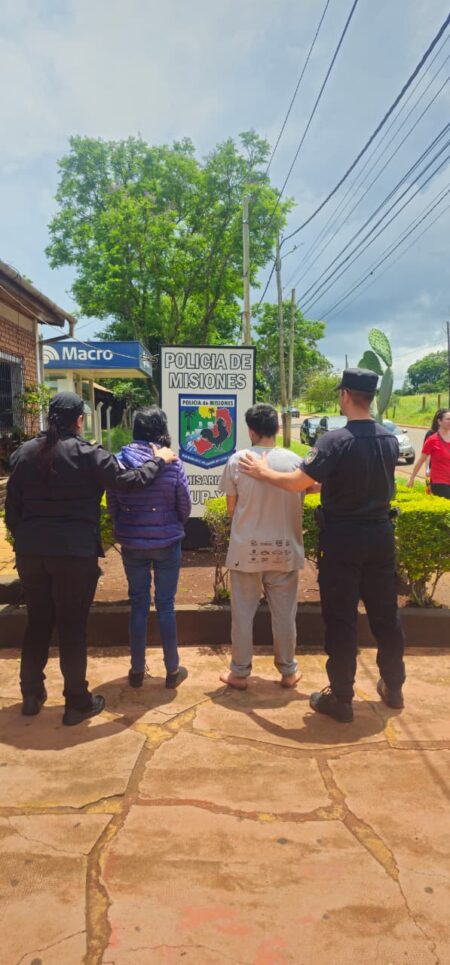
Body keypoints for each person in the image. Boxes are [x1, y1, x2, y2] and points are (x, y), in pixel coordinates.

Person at [240, 369, 406, 723]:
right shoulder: (389, 440)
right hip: (380, 536)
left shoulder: (335, 440)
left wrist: (261, 472)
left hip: (344, 540)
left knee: (342, 618)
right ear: (371, 397)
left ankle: (341, 698)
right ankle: (394, 687)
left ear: (345, 395)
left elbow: (297, 482)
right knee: (386, 616)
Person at [5, 392, 177, 725]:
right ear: (79, 421)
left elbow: (11, 511)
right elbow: (129, 482)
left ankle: (30, 694)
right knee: (72, 627)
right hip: (74, 554)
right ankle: (76, 703)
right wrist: (161, 460)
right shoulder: (88, 455)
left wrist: (25, 540)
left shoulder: (23, 454)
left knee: (38, 622)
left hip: (31, 553)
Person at [218, 403, 308, 690]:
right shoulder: (296, 461)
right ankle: (288, 671)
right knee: (285, 614)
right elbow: (303, 497)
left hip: (247, 550)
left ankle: (240, 673)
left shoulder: (237, 460)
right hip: (285, 549)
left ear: (251, 430)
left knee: (242, 613)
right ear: (278, 429)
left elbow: (232, 510)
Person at [107, 407, 191, 689]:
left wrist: (127, 528)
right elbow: (184, 506)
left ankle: (136, 671)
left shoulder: (118, 462)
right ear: (161, 431)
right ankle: (172, 670)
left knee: (138, 606)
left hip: (132, 545)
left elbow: (113, 506)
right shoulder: (172, 462)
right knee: (166, 605)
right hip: (168, 543)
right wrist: (173, 526)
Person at [408, 408, 450, 498]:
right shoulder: (432, 440)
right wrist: (412, 478)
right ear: (439, 421)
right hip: (439, 482)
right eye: (448, 419)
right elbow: (420, 461)